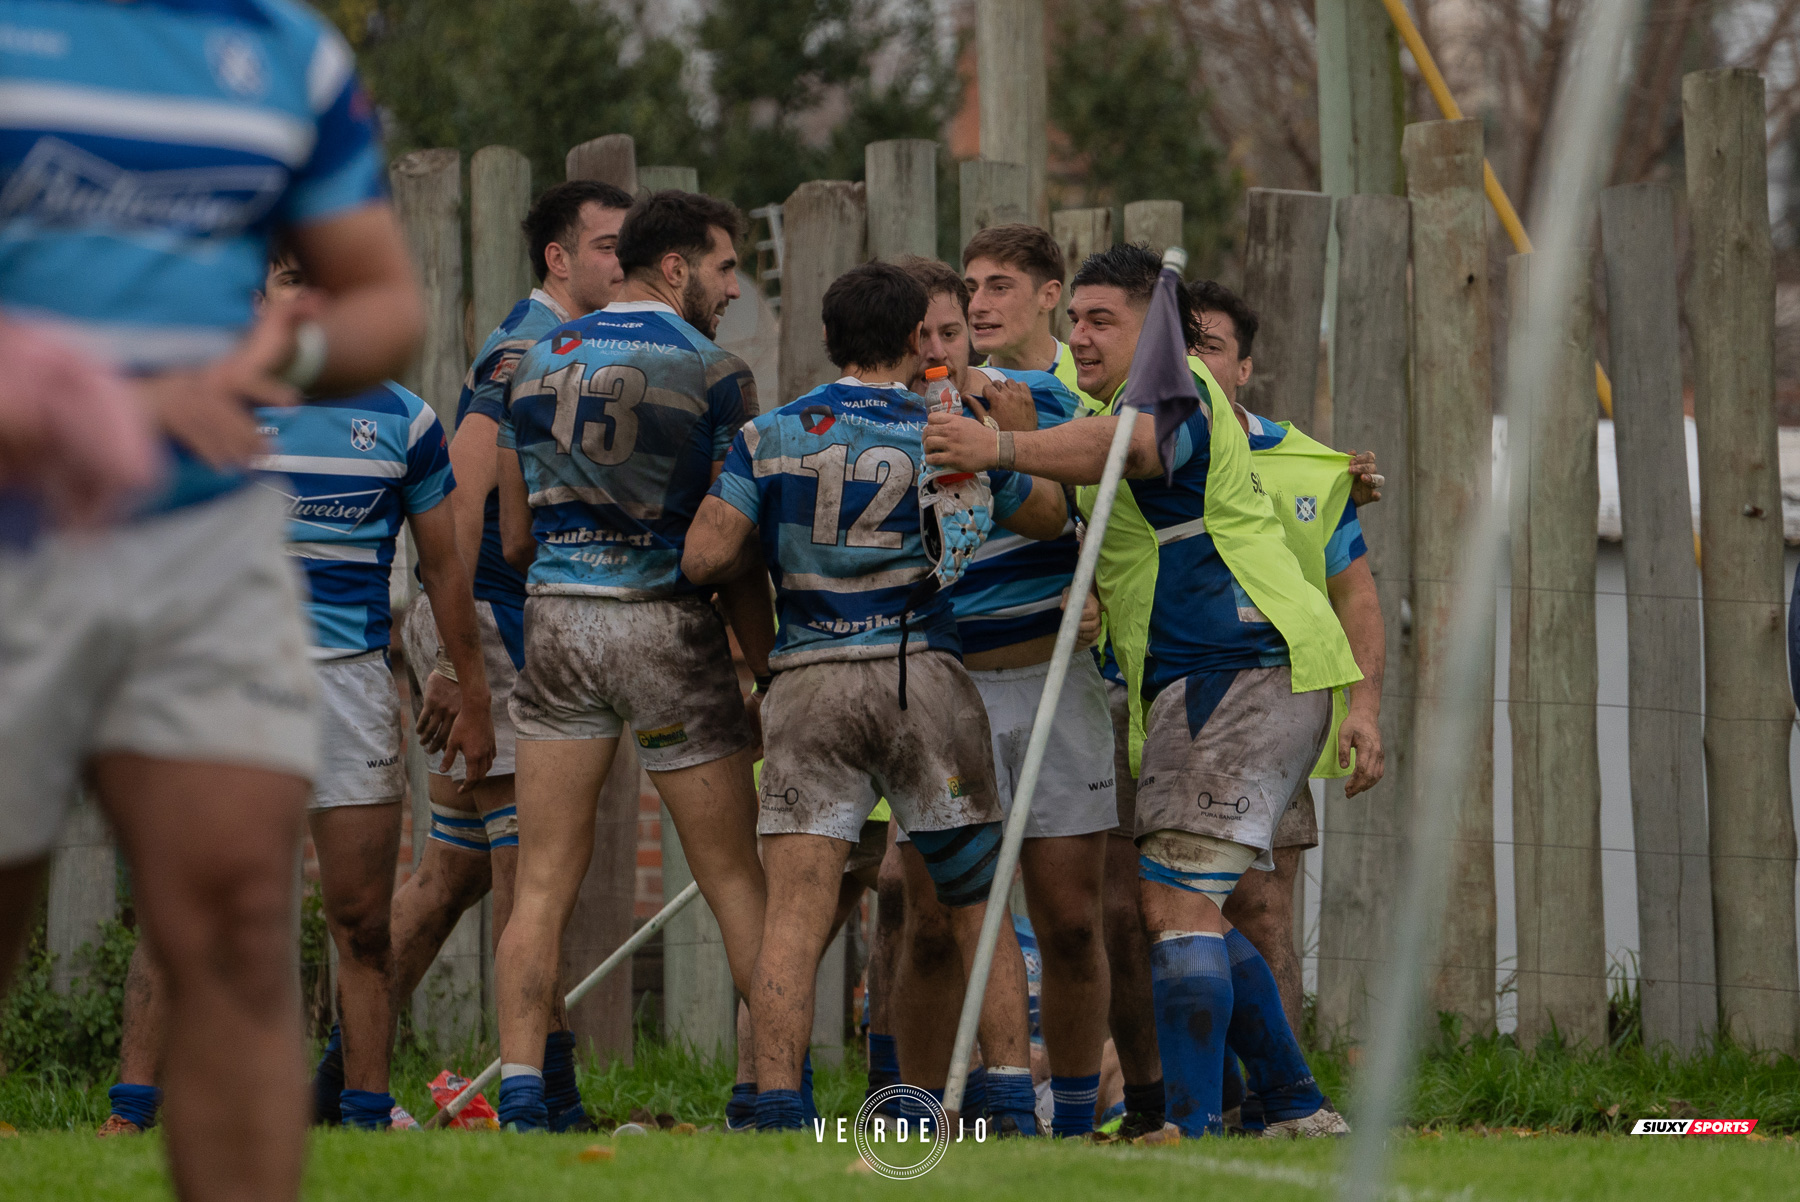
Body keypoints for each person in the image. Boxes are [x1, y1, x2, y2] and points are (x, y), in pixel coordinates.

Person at [0, 3, 421, 1197]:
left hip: (204, 540)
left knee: (240, 918)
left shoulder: (286, 49)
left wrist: (270, 360)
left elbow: (386, 302)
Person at [922, 245, 1361, 1139]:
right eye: (1074, 318)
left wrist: (999, 443)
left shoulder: (1179, 385)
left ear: (1151, 328)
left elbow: (1136, 447)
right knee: (1179, 897)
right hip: (1207, 676)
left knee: (1173, 902)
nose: (1079, 336)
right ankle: (1295, 1106)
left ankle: (1186, 1128)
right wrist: (1007, 404)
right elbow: (1086, 432)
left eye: (1101, 320)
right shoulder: (1115, 399)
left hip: (1240, 666)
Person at [100, 254, 493, 1137]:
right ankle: (131, 1117)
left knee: (360, 923)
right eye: (291, 278)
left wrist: (471, 690)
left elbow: (442, 570)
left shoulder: (407, 419)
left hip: (348, 689)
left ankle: (360, 1116)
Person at [684, 261, 1069, 1133]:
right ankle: (1009, 1099)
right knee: (976, 902)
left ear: (826, 339)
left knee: (796, 908)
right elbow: (1046, 519)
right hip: (922, 674)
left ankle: (779, 1105)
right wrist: (1008, 438)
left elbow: (705, 558)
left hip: (811, 679)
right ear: (911, 341)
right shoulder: (949, 427)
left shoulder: (771, 433)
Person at [489, 190, 772, 1131]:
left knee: (539, 884)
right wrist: (767, 661)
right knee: (734, 876)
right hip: (662, 628)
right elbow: (728, 549)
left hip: (559, 623)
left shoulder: (531, 361)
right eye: (727, 267)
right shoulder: (717, 371)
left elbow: (515, 538)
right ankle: (769, 1098)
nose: (736, 287)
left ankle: (523, 1095)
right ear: (679, 266)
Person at [380, 178, 635, 1134]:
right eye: (607, 246)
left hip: (481, 626)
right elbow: (458, 507)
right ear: (557, 259)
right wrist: (456, 661)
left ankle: (331, 1078)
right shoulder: (527, 347)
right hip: (482, 625)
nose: (623, 261)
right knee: (531, 881)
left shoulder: (559, 347)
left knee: (451, 874)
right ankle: (550, 1102)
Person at [885, 256, 1114, 1139]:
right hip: (945, 692)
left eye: (950, 331)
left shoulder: (1032, 400)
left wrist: (1007, 447)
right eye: (920, 340)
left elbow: (1081, 517)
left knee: (1069, 920)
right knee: (935, 922)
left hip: (1052, 686)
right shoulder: (878, 420)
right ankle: (917, 1115)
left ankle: (1074, 1115)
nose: (939, 351)